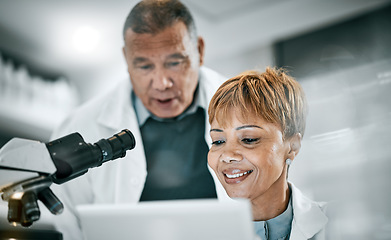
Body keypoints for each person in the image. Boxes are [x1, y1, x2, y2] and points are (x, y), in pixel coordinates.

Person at [48, 0, 227, 239]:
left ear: (200, 51)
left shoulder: (248, 109)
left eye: (174, 62)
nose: (162, 83)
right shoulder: (80, 127)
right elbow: (67, 227)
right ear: (126, 59)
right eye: (144, 66)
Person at [207, 67, 328, 240]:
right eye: (218, 141)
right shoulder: (202, 233)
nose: (227, 155)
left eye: (248, 139)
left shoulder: (340, 222)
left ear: (292, 147)